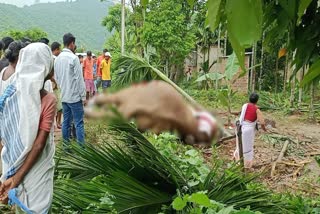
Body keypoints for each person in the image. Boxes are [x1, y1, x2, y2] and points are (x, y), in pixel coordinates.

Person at [0, 43, 56, 213]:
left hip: (12, 163)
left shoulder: (10, 95)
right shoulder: (48, 99)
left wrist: (12, 178)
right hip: (35, 168)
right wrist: (15, 180)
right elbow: (38, 145)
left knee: (19, 208)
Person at [54, 33, 86, 148]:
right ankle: (82, 149)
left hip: (65, 97)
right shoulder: (73, 58)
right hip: (75, 97)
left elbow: (56, 78)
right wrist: (83, 97)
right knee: (79, 123)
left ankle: (66, 148)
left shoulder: (57, 59)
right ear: (72, 43)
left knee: (66, 123)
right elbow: (79, 79)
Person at [234, 92, 266, 169]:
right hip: (248, 131)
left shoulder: (245, 105)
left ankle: (237, 161)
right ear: (257, 100)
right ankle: (246, 165)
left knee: (239, 145)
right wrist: (264, 129)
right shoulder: (257, 110)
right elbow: (262, 122)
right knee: (247, 149)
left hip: (240, 127)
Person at [51, 41, 62, 129]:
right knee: (58, 105)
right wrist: (55, 82)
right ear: (56, 49)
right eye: (59, 49)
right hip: (54, 85)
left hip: (53, 85)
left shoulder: (50, 58)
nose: (60, 51)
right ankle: (56, 123)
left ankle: (56, 123)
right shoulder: (54, 59)